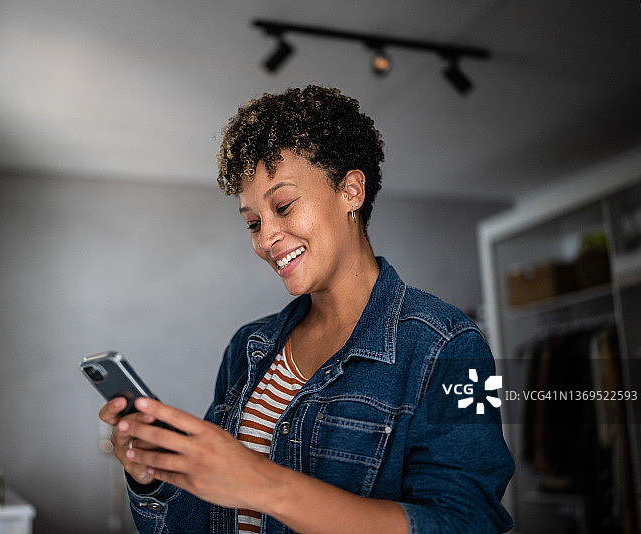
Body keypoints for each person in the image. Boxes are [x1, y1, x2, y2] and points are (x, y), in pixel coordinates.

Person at [99, 85, 514, 533]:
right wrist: (151, 479)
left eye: (284, 205)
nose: (265, 239)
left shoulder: (451, 345)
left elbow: (466, 522)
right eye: (253, 223)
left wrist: (263, 483)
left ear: (351, 190)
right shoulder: (248, 347)